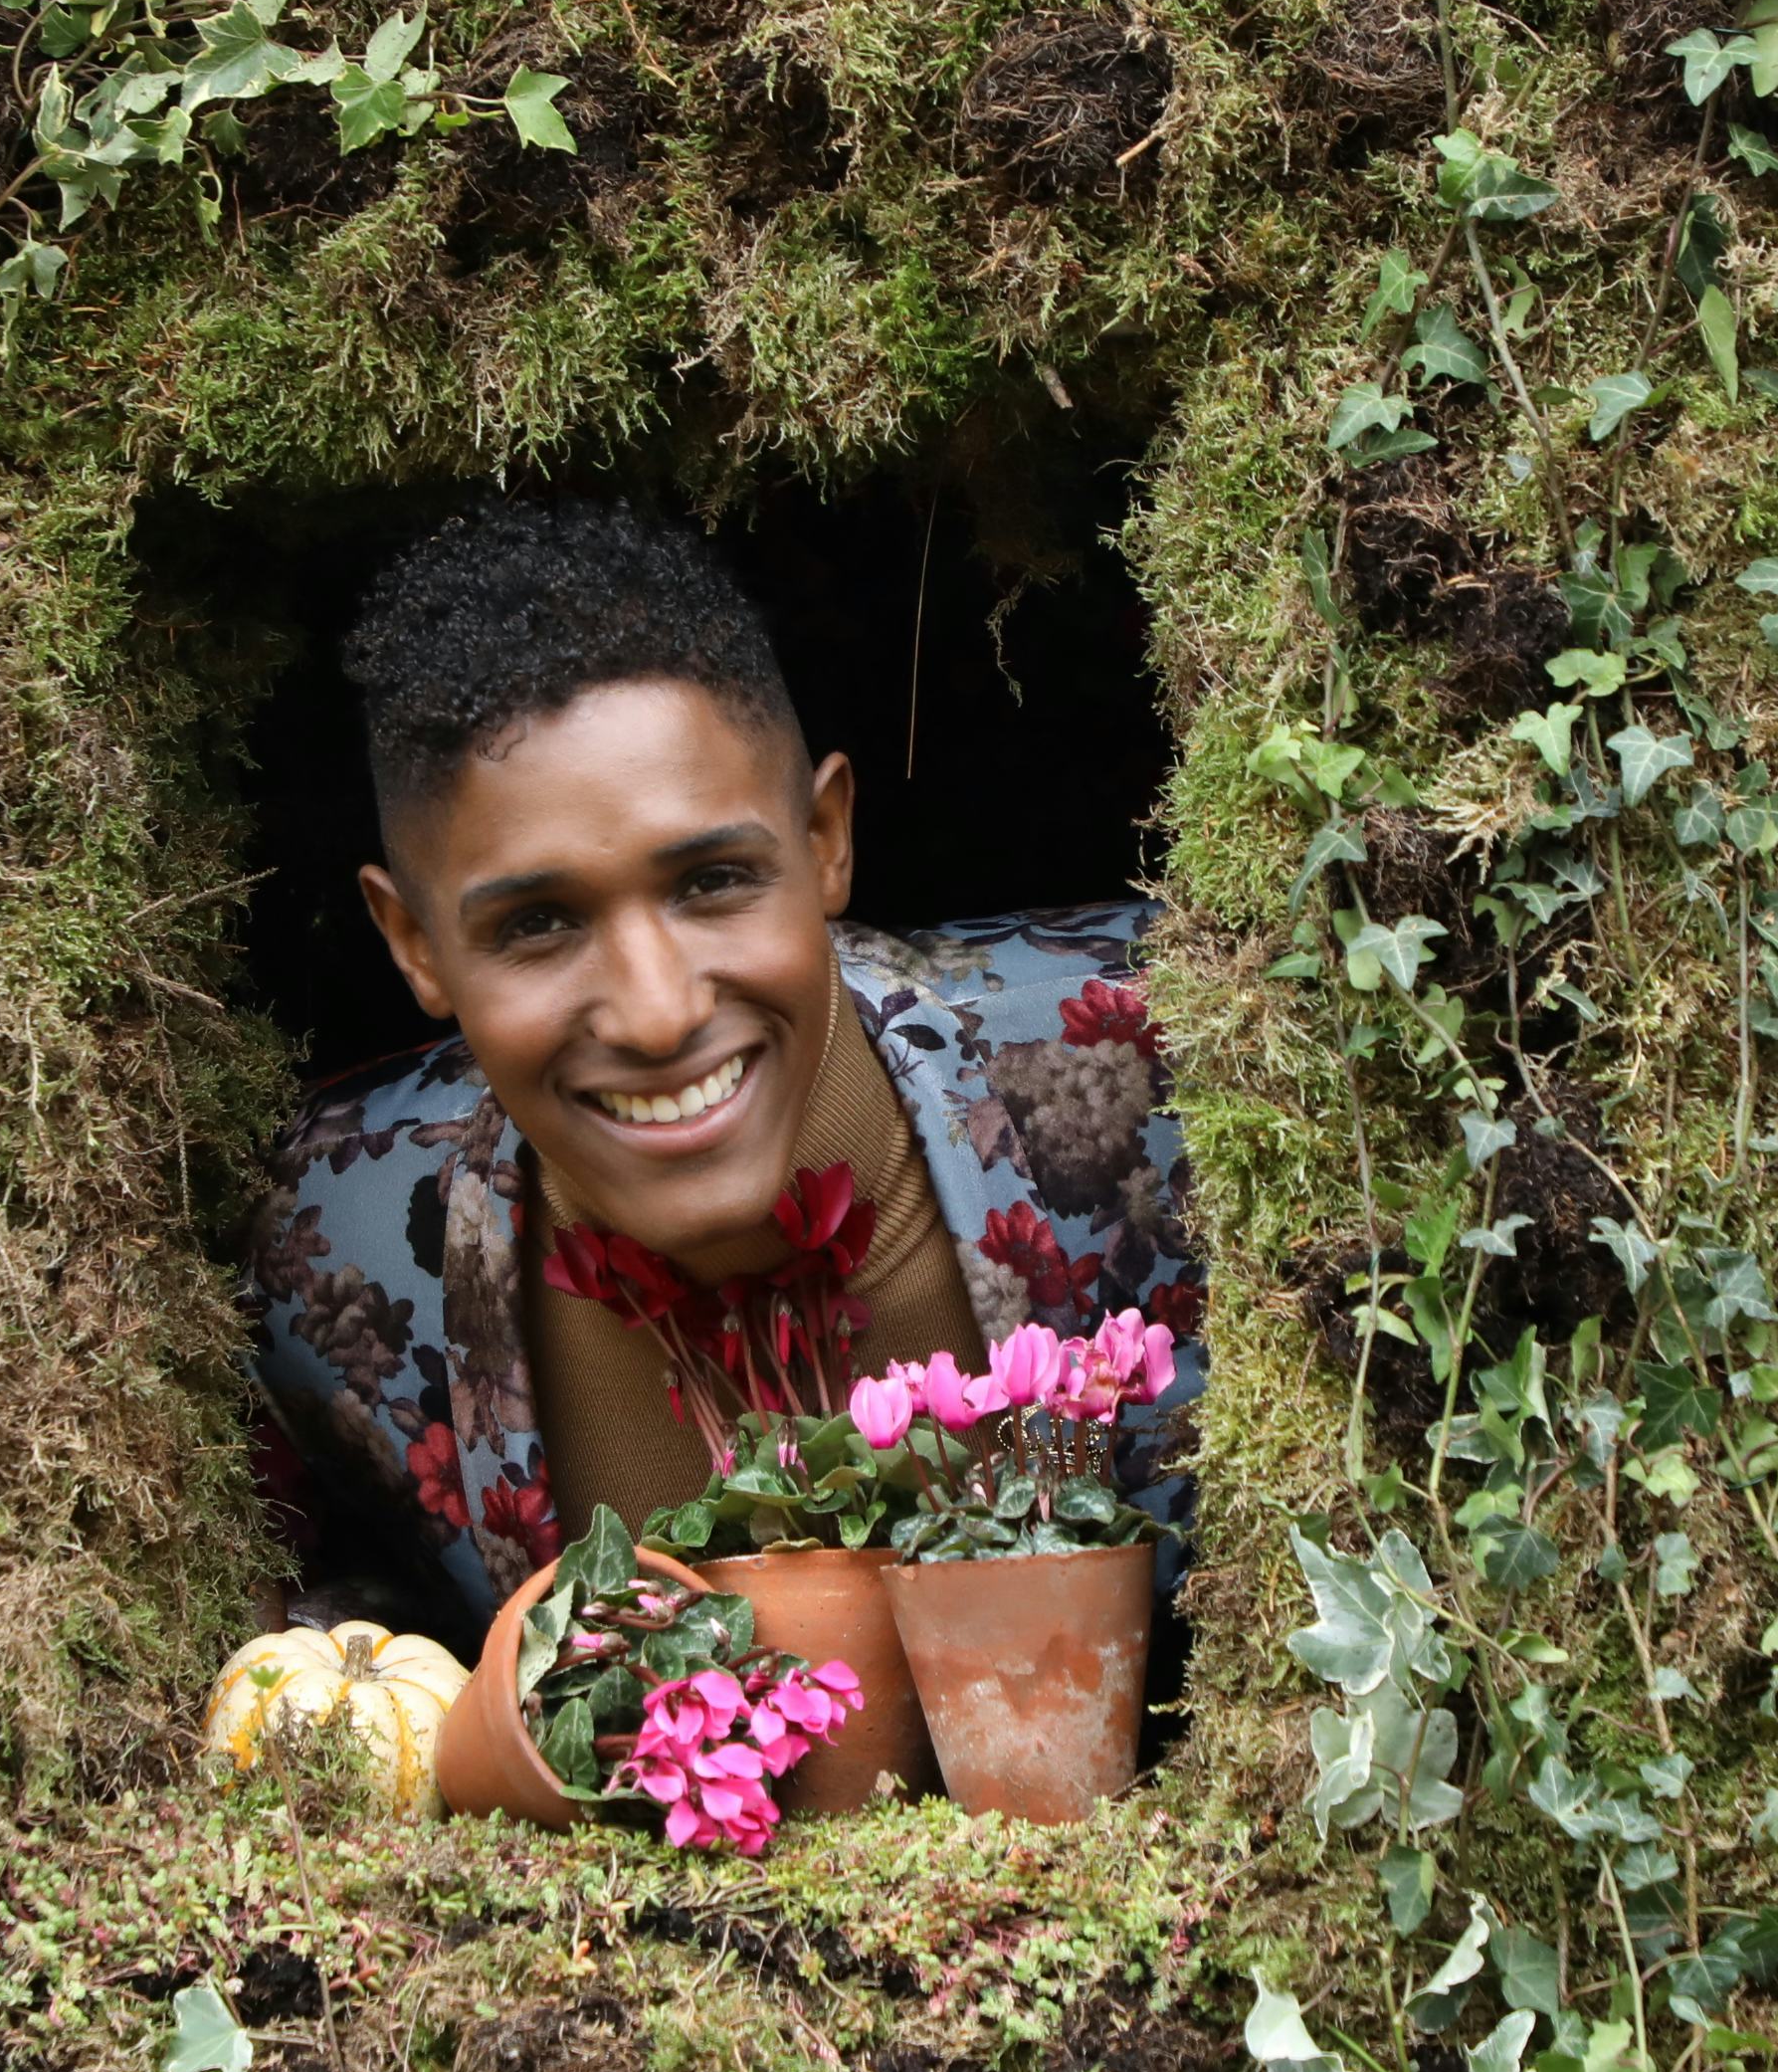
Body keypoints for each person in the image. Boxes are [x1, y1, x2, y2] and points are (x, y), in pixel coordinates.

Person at [245, 498, 1201, 1649]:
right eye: (540, 923)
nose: (657, 1015)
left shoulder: (1182, 1056)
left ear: (826, 841)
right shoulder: (320, 1249)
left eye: (710, 883)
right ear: (414, 947)